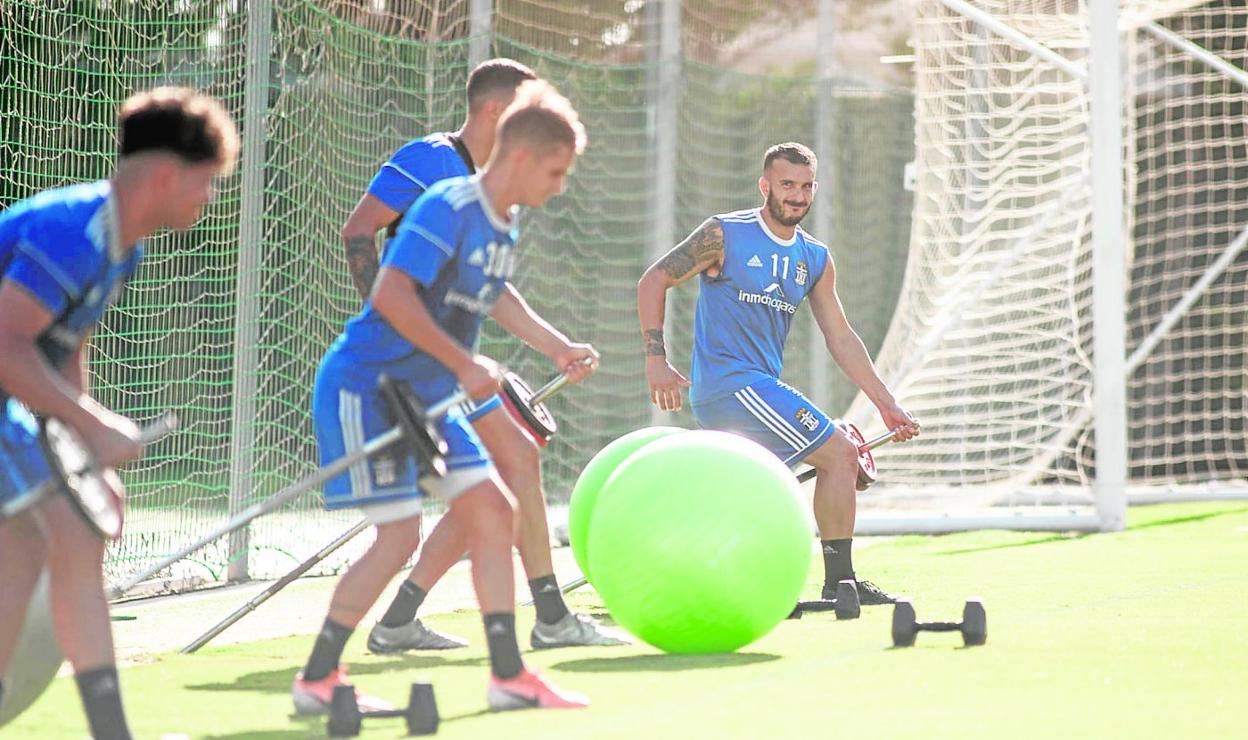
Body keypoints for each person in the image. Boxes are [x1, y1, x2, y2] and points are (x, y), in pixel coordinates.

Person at [293, 79, 595, 715]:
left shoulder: (505, 223)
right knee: (398, 538)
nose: (561, 187)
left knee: (492, 511)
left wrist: (555, 346)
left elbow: (492, 295)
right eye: (556, 172)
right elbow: (390, 294)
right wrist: (463, 362)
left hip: (428, 396)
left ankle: (509, 677)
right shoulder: (447, 205)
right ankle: (318, 679)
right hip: (371, 388)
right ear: (520, 157)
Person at [340, 57, 626, 652]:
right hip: (408, 363)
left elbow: (492, 290)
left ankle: (404, 620)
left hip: (447, 365)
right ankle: (546, 618)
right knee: (504, 470)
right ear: (498, 111)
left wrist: (556, 346)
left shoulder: (500, 201)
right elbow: (359, 230)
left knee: (506, 471)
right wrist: (394, 333)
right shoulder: (432, 160)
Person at [0, 88, 239, 739]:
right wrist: (93, 425)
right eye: (205, 181)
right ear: (164, 176)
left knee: (74, 535)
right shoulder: (73, 232)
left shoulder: (120, 247)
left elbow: (63, 349)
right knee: (27, 542)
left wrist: (87, 458)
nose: (208, 198)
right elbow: (7, 344)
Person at [636, 142, 919, 605]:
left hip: (758, 390)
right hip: (730, 388)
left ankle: (719, 581)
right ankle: (840, 585)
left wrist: (887, 405)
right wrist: (655, 359)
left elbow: (841, 337)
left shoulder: (815, 257)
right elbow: (654, 279)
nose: (797, 195)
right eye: (787, 184)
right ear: (764, 186)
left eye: (806, 186)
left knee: (751, 491)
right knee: (840, 454)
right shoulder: (725, 233)